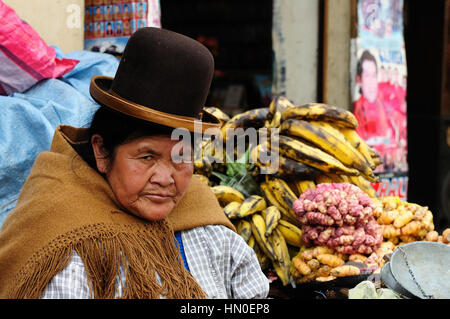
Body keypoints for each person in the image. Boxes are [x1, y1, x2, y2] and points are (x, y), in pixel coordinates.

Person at [0, 27, 269, 299]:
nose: (165, 178)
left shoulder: (207, 224)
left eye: (181, 157)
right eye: (147, 157)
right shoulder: (66, 242)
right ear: (103, 152)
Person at [353, 49, 392, 171]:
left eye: (374, 75)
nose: (371, 82)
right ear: (359, 80)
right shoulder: (356, 109)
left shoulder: (383, 108)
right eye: (367, 76)